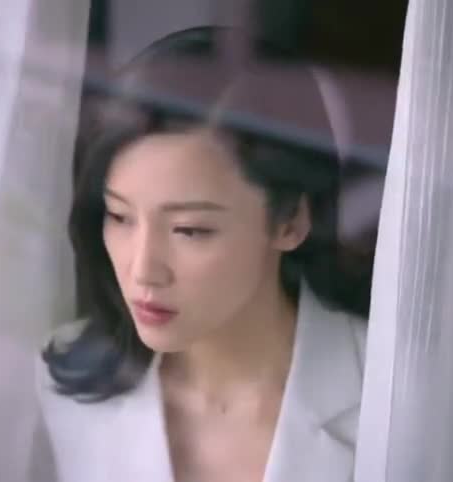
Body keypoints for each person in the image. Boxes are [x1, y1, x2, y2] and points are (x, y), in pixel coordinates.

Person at [35, 26, 369, 482]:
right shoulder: (59, 388)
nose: (143, 269)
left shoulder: (393, 396)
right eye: (120, 216)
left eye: (189, 230)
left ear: (290, 220)